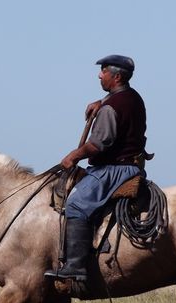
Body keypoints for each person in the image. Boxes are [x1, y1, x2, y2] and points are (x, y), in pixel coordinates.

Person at [45, 54, 149, 282]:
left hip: (114, 170)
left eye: (103, 71)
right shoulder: (131, 97)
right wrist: (102, 101)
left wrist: (74, 155)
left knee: (76, 204)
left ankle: (74, 266)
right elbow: (120, 104)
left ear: (116, 76)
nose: (99, 75)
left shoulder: (112, 107)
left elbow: (98, 144)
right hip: (129, 166)